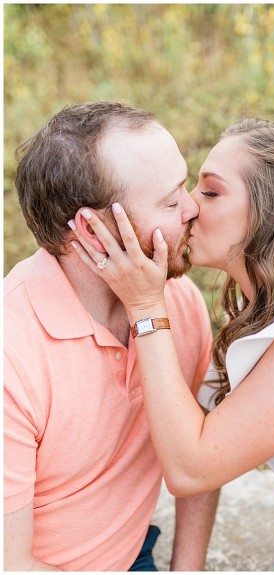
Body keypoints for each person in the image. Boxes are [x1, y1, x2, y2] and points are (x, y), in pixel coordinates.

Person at [69, 118, 274, 571]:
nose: (189, 207)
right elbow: (204, 425)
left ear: (272, 211)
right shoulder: (263, 316)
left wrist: (144, 305)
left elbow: (191, 467)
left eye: (211, 192)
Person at [4, 102, 219, 571]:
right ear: (93, 230)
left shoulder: (178, 304)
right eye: (170, 199)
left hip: (134, 552)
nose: (191, 209)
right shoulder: (11, 352)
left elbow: (202, 450)